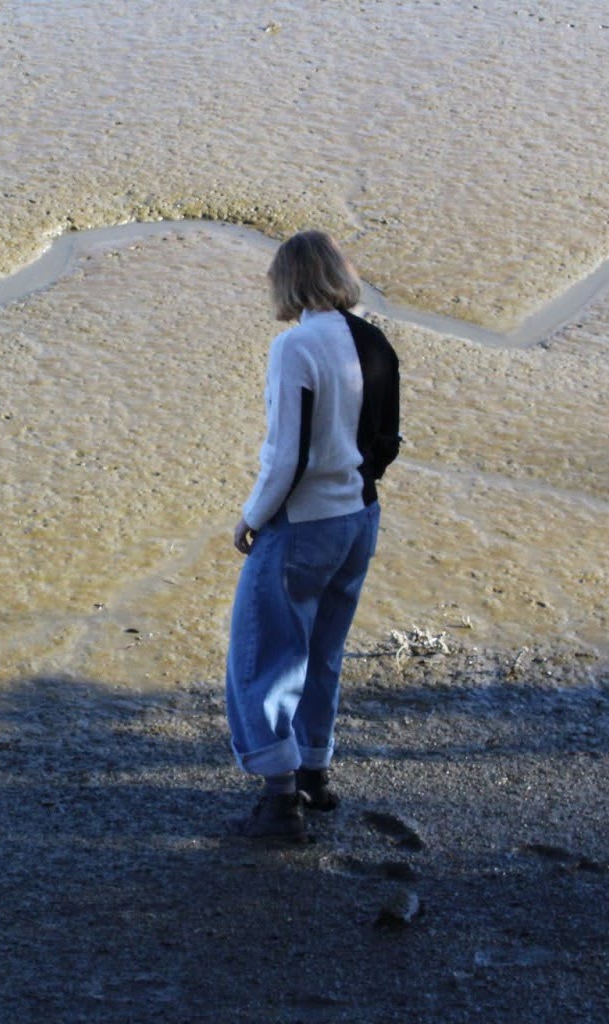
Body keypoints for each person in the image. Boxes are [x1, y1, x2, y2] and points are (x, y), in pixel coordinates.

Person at [224, 231, 400, 842]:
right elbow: (388, 442)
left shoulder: (295, 346)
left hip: (305, 523)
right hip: (360, 519)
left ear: (289, 282)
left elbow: (286, 455)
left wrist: (251, 517)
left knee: (263, 655)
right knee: (323, 650)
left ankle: (279, 803)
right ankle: (314, 775)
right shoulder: (375, 341)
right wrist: (359, 490)